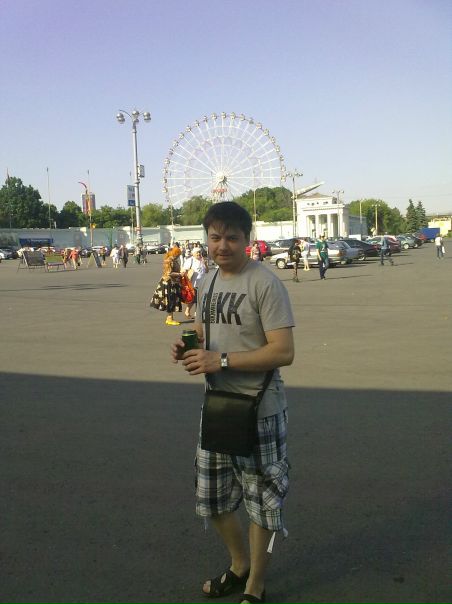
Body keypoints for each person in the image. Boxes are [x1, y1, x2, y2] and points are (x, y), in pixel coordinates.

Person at [171, 202, 295, 604]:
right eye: (215, 237)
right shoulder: (206, 281)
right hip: (218, 407)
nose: (222, 245)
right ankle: (239, 564)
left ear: (247, 240)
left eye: (231, 237)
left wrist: (220, 360)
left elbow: (283, 351)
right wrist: (190, 349)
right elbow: (204, 333)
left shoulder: (265, 284)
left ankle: (256, 583)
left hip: (260, 410)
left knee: (264, 505)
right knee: (212, 499)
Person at [150, 246, 182, 325]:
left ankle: (170, 318)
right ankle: (169, 319)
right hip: (168, 283)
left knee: (172, 300)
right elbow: (169, 273)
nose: (179, 256)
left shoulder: (174, 260)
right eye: (178, 254)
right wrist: (180, 274)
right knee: (170, 300)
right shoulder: (169, 261)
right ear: (175, 254)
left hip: (173, 282)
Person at [181, 246, 209, 319]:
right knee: (193, 299)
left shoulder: (202, 260)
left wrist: (205, 264)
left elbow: (207, 271)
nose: (199, 254)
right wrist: (185, 273)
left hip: (202, 283)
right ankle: (188, 311)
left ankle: (196, 313)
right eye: (197, 252)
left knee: (199, 299)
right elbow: (184, 270)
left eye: (199, 252)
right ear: (193, 254)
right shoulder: (190, 260)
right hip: (193, 284)